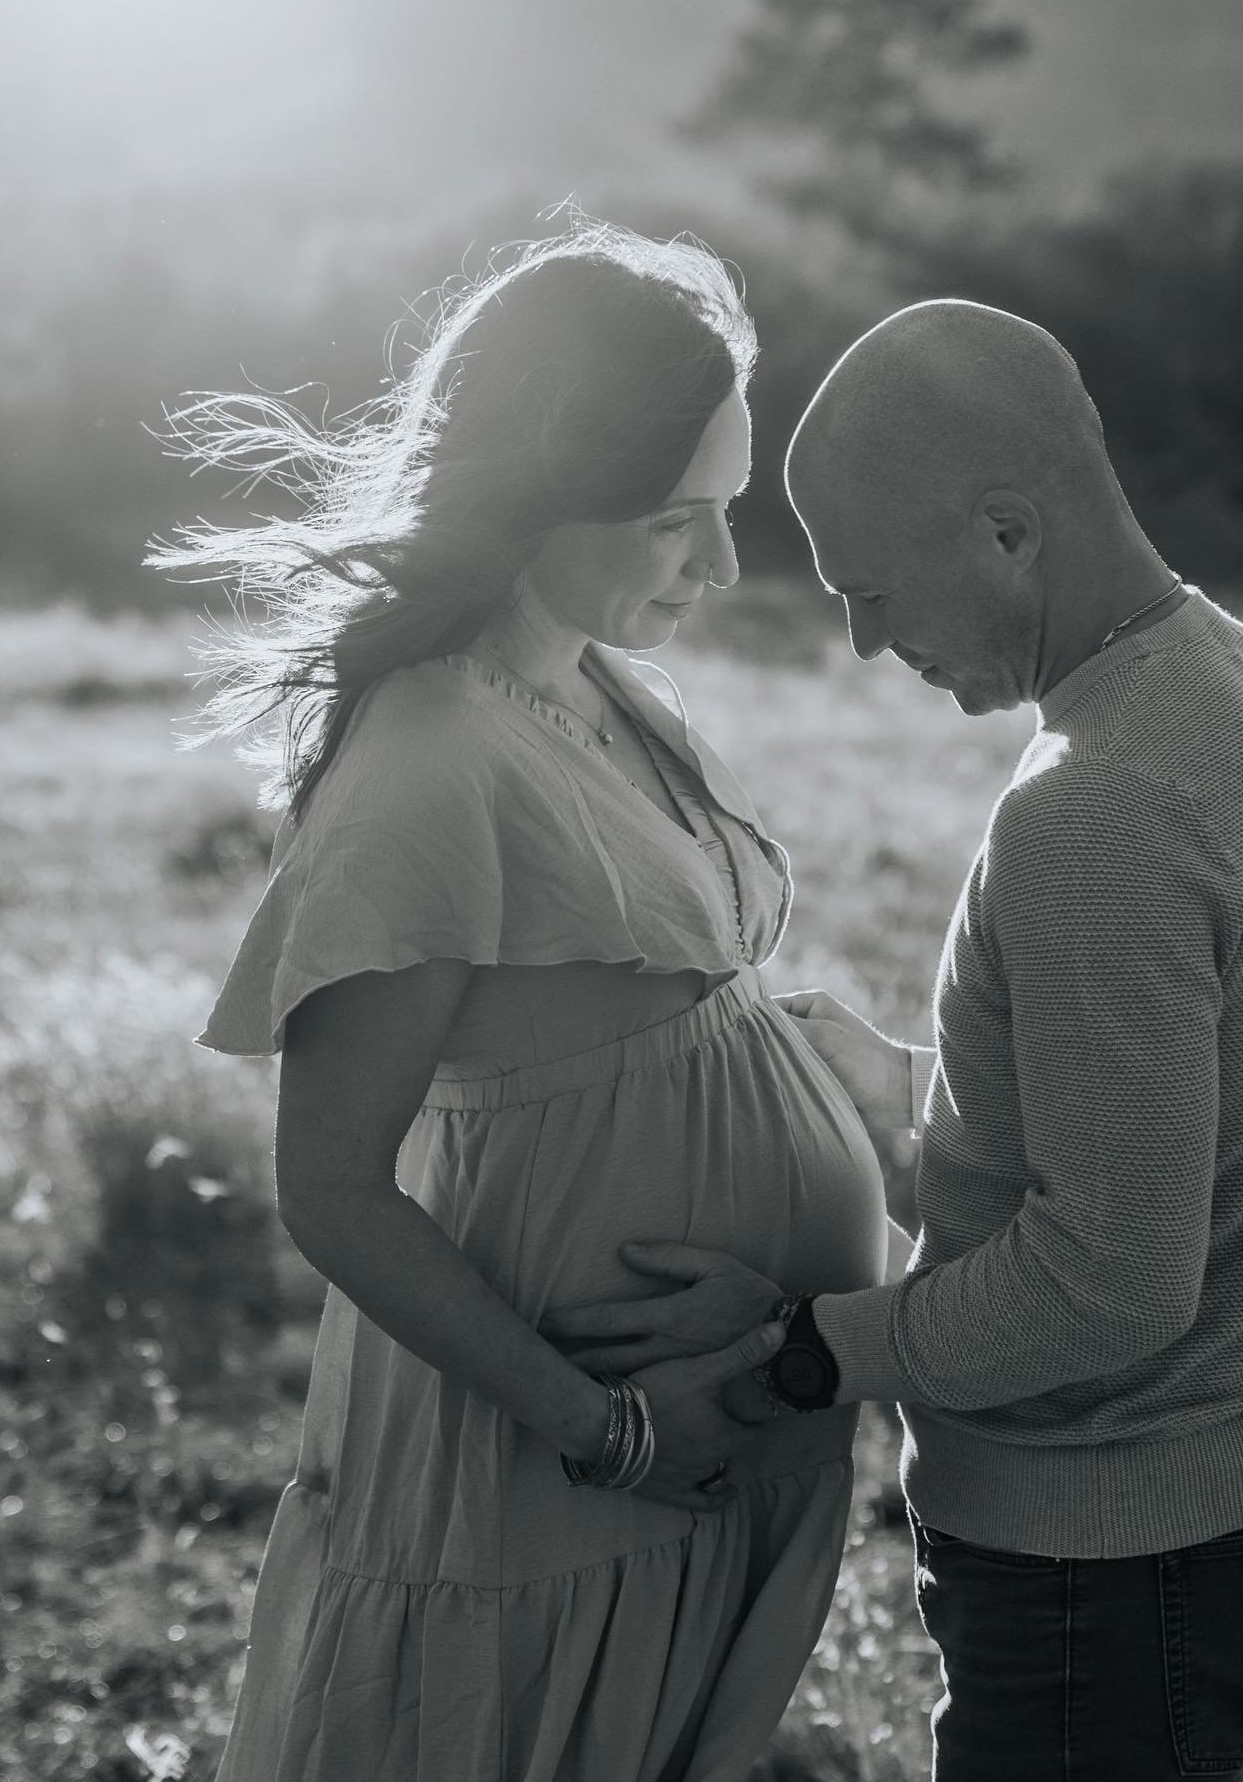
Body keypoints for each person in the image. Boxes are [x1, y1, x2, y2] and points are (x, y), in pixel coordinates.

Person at [546, 300, 1243, 1781]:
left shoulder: (1092, 811)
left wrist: (804, 1352)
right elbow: (1180, 1103)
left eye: (870, 592)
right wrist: (913, 1098)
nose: (861, 644)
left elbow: (1111, 1285)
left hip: (1116, 1562)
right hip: (1220, 1519)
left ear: (1004, 530)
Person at [155, 220, 896, 1782]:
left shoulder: (605, 684)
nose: (723, 566)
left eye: (729, 509)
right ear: (550, 482)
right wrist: (606, 1426)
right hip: (552, 1476)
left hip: (687, 1447)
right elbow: (335, 1186)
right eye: (675, 519)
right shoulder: (428, 763)